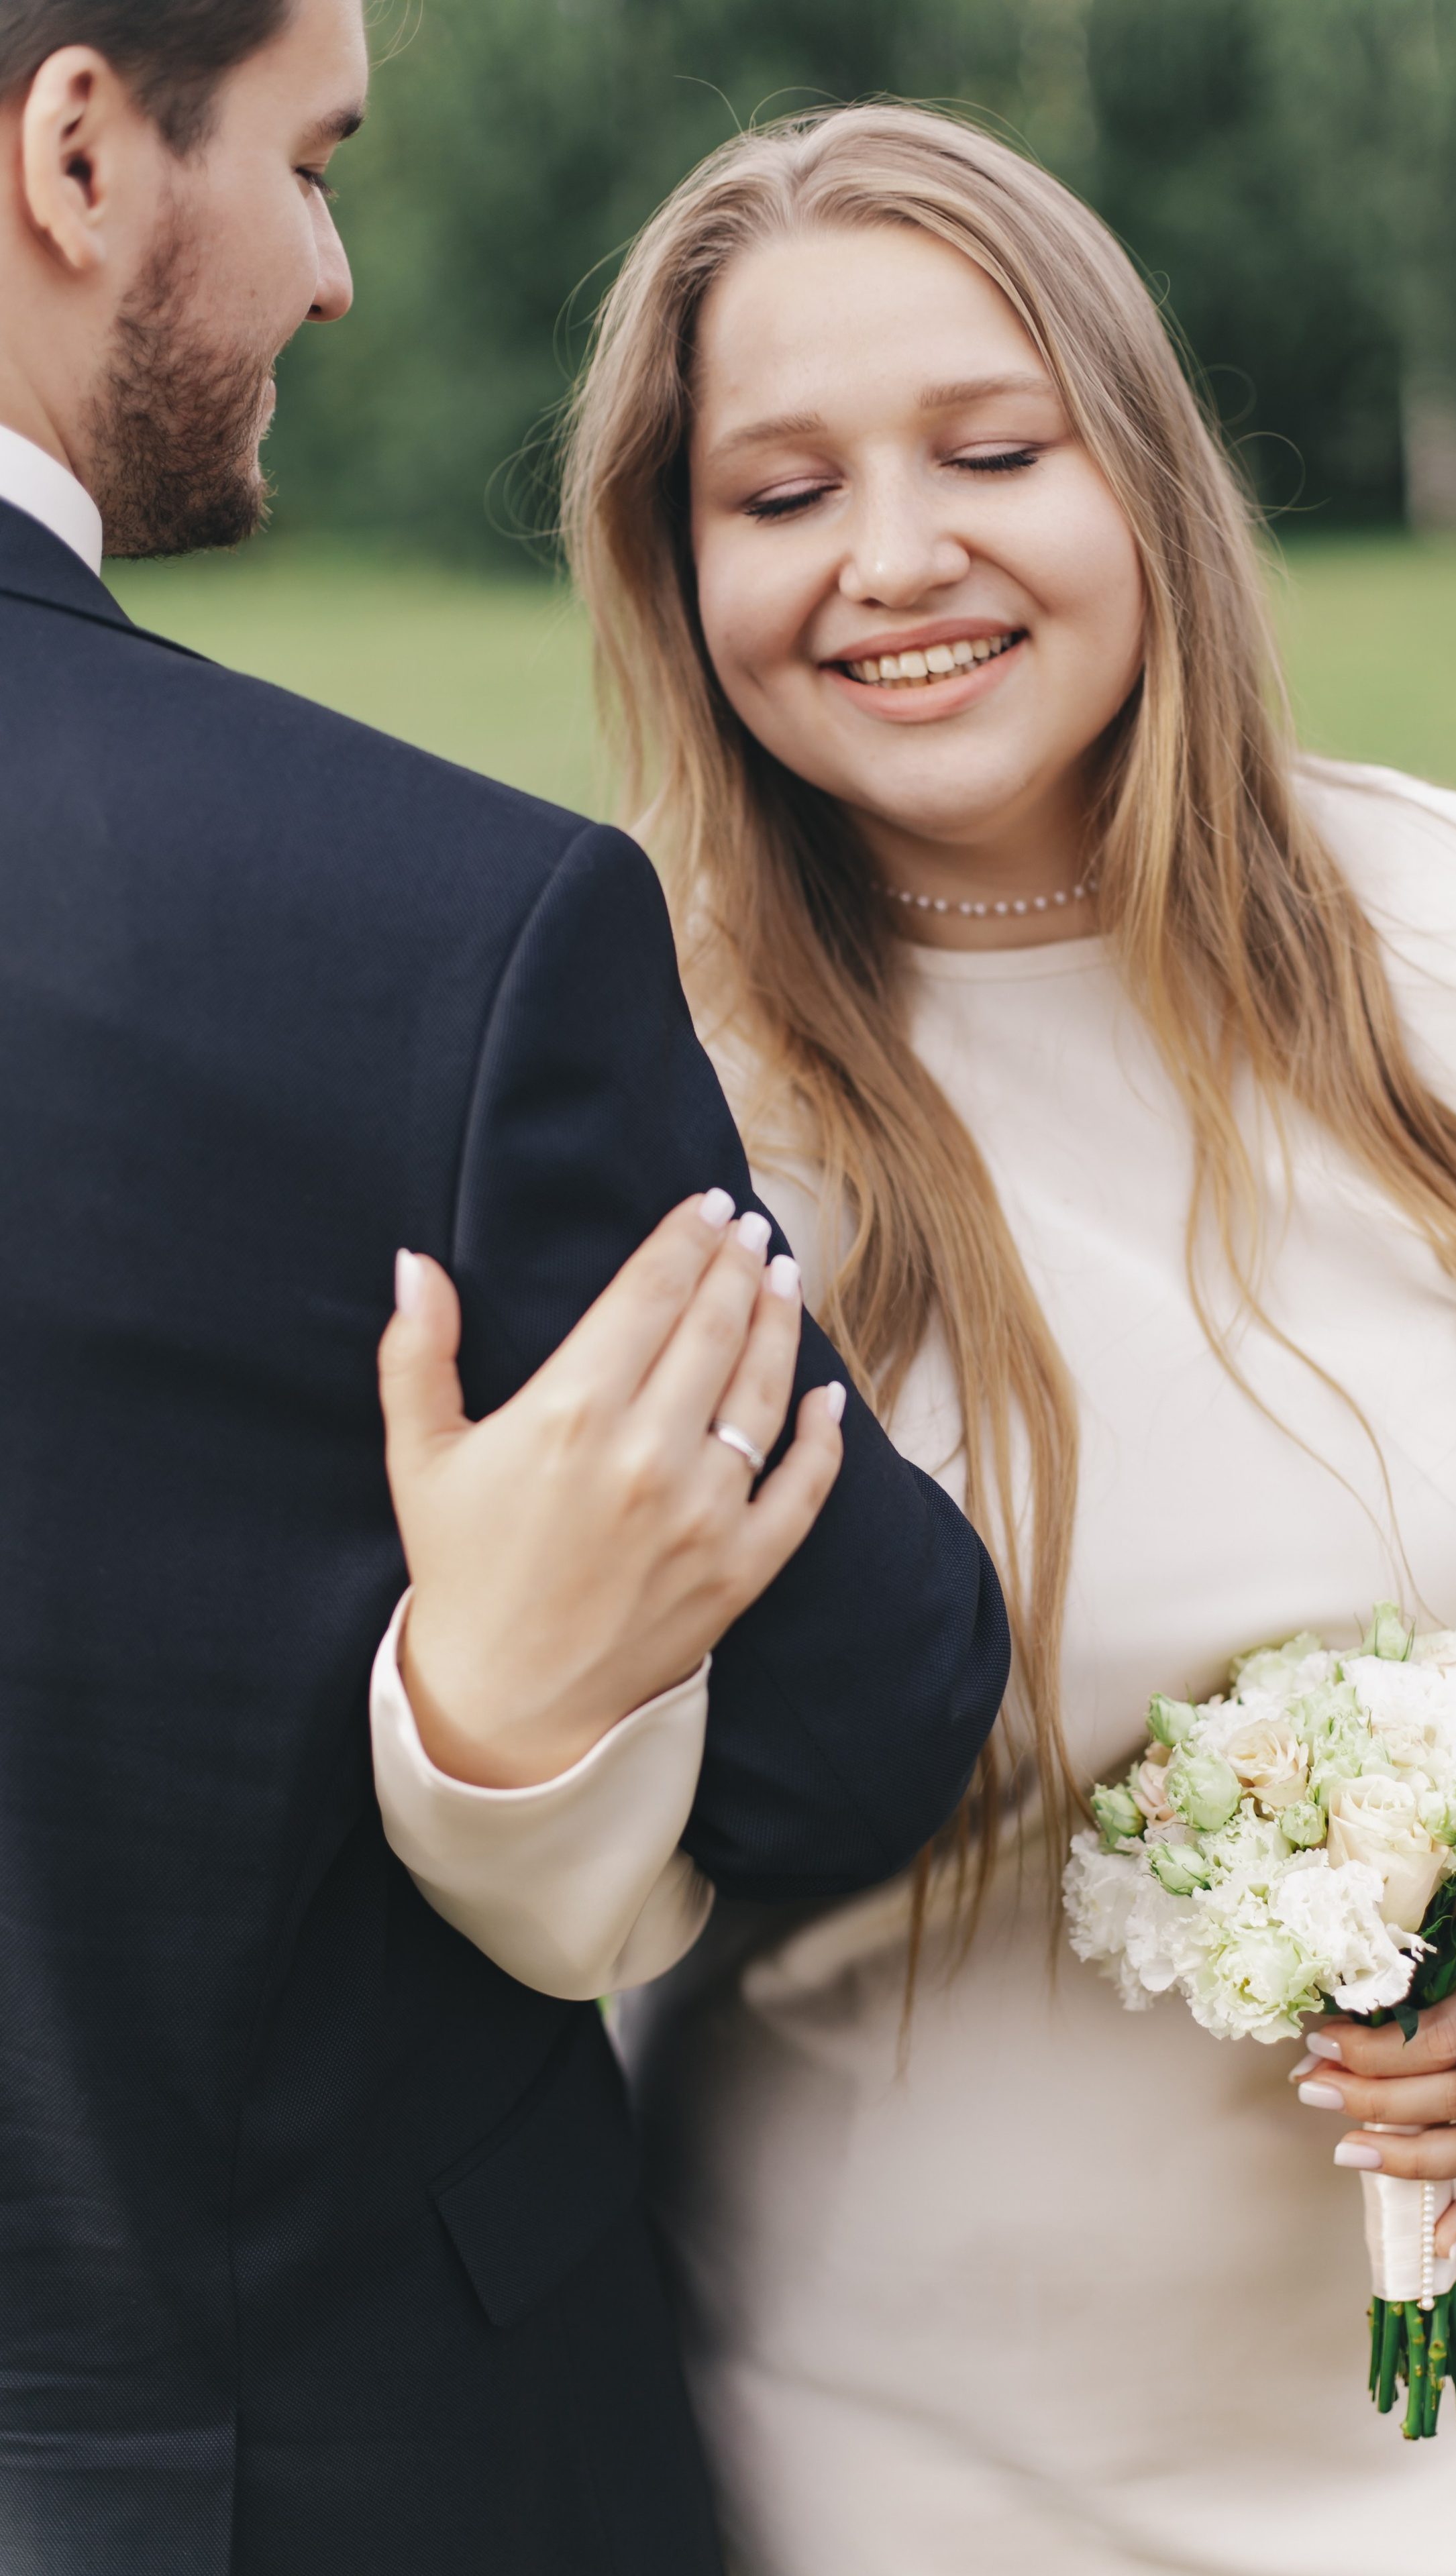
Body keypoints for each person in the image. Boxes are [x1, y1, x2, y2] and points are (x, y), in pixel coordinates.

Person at [431, 103, 1456, 2573]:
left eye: (990, 452)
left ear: (1142, 473)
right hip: (892, 2454)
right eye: (777, 492)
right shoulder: (612, 1089)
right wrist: (485, 1746)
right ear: (672, 569)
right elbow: (553, 1891)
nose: (894, 559)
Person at [0, 18, 1009, 2573]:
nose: (334, 278)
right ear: (82, 149)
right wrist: (510, 1694)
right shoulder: (425, 931)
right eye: (313, 166)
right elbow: (865, 1717)